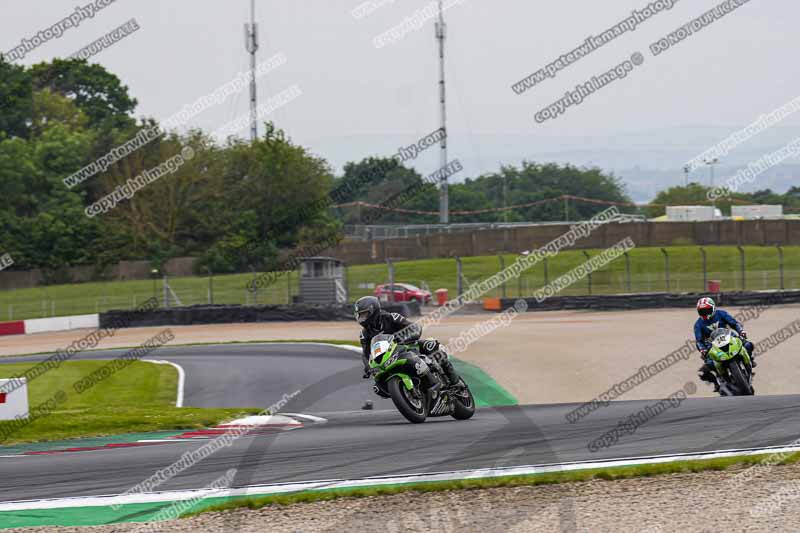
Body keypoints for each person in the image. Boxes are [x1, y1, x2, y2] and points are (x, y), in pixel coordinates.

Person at [354, 296, 464, 391]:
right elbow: (366, 353)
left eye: (364, 314)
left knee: (433, 346)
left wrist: (406, 338)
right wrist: (368, 366)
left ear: (374, 310)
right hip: (389, 356)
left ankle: (455, 381)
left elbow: (413, 327)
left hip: (408, 345)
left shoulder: (391, 317)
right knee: (378, 387)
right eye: (359, 315)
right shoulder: (365, 334)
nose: (361, 318)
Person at [694, 296, 756, 391]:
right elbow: (699, 341)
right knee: (708, 366)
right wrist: (702, 349)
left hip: (730, 337)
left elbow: (734, 323)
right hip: (712, 345)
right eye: (702, 311)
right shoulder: (698, 324)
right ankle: (717, 382)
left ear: (713, 308)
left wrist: (741, 331)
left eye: (707, 310)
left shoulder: (721, 314)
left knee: (748, 345)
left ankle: (750, 360)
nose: (705, 313)